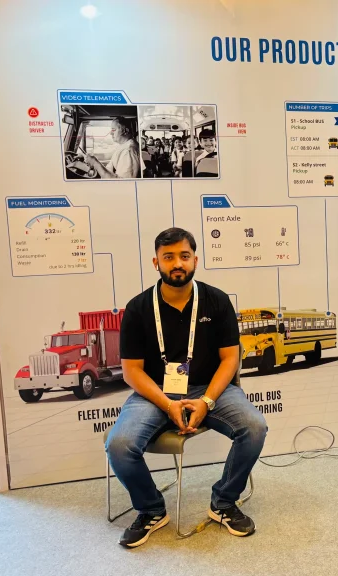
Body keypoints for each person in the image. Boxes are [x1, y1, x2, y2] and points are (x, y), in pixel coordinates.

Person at [106, 227, 267, 548]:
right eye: (168, 257)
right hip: (155, 392)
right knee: (119, 445)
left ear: (195, 259)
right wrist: (167, 404)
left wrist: (206, 401)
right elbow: (132, 371)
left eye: (184, 256)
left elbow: (230, 359)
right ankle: (151, 509)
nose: (177, 263)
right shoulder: (138, 308)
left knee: (254, 427)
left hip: (210, 387)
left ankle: (224, 502)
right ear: (156, 263)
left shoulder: (217, 301)